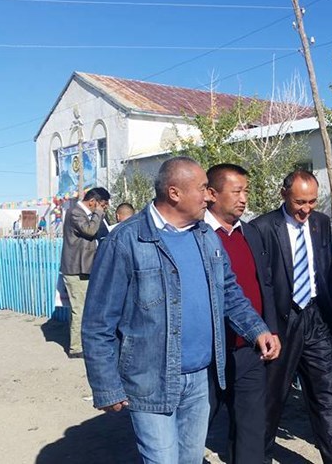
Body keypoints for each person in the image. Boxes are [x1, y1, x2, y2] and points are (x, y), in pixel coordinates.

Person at [82, 157, 281, 463]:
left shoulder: (205, 236)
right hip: (150, 379)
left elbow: (229, 292)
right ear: (174, 193)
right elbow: (98, 322)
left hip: (200, 378)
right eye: (202, 188)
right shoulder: (126, 240)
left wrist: (257, 329)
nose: (208, 196)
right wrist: (106, 385)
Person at [252, 170, 332, 464]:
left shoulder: (320, 223)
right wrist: (266, 328)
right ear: (284, 194)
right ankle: (256, 456)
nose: (306, 209)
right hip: (280, 324)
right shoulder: (262, 228)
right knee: (271, 399)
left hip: (315, 318)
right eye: (299, 202)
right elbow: (261, 283)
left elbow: (325, 271)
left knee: (327, 398)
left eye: (312, 201)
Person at [204, 164, 278, 463]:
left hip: (249, 348)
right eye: (236, 192)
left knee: (251, 428)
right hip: (209, 352)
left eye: (246, 191)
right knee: (196, 426)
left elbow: (265, 284)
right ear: (211, 194)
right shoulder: (196, 234)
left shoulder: (250, 232)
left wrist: (269, 329)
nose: (244, 198)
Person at [59, 187, 110, 359]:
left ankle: (82, 343)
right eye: (102, 205)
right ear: (93, 201)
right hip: (75, 269)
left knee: (84, 308)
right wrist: (98, 213)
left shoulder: (86, 214)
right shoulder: (75, 213)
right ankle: (76, 348)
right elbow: (90, 231)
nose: (103, 209)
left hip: (85, 268)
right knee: (79, 309)